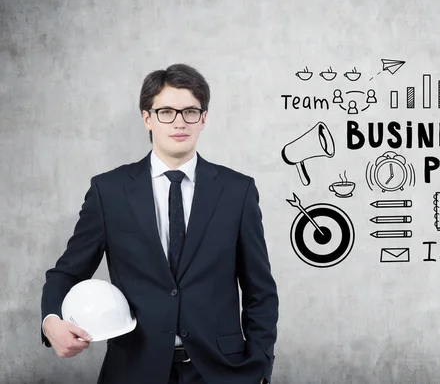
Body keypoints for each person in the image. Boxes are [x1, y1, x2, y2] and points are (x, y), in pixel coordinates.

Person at [40, 63, 279, 384]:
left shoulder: (238, 191)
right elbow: (67, 272)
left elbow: (259, 290)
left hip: (222, 372)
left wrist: (260, 364)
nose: (179, 122)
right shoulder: (109, 191)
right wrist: (51, 321)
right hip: (133, 369)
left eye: (190, 112)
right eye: (166, 111)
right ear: (147, 117)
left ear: (204, 119)